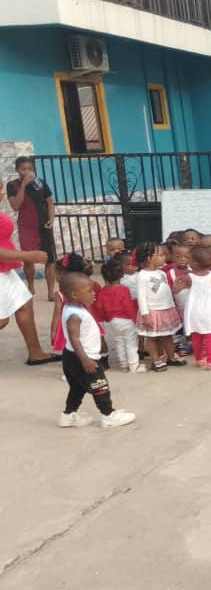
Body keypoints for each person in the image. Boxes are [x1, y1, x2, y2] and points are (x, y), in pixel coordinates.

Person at [57, 272, 136, 429]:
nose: (94, 293)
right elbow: (74, 339)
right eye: (89, 291)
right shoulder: (74, 315)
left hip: (71, 356)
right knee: (100, 387)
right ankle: (108, 415)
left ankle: (68, 415)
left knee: (77, 388)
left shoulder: (72, 308)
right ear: (75, 294)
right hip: (84, 358)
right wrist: (85, 360)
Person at [0, 206, 59, 365]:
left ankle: (36, 353)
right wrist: (27, 255)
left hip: (5, 270)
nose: (2, 194)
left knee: (24, 304)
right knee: (2, 321)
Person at [5, 157, 57, 299]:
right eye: (23, 169)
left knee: (50, 260)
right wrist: (23, 185)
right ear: (17, 170)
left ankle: (50, 292)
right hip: (26, 227)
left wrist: (51, 219)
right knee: (28, 259)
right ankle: (31, 287)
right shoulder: (12, 185)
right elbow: (16, 205)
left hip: (44, 226)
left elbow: (49, 202)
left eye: (30, 169)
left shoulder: (40, 183)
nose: (27, 172)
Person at [135, 242, 184, 372]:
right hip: (152, 311)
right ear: (150, 258)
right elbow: (141, 297)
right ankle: (156, 360)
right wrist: (145, 314)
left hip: (166, 309)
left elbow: (166, 291)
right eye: (161, 255)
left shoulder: (161, 273)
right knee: (152, 337)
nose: (164, 257)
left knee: (168, 335)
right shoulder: (142, 276)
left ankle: (171, 357)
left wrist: (172, 305)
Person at [173, 245, 211, 370]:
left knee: (196, 337)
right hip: (210, 310)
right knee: (210, 337)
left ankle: (199, 360)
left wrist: (177, 281)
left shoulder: (188, 277)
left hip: (194, 311)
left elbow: (175, 291)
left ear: (194, 264)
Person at [94, 258, 144, 373]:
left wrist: (106, 319)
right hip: (126, 320)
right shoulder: (123, 290)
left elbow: (99, 307)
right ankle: (133, 364)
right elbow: (128, 307)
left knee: (119, 342)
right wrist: (136, 320)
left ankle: (123, 364)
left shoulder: (102, 291)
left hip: (112, 321)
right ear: (121, 275)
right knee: (131, 342)